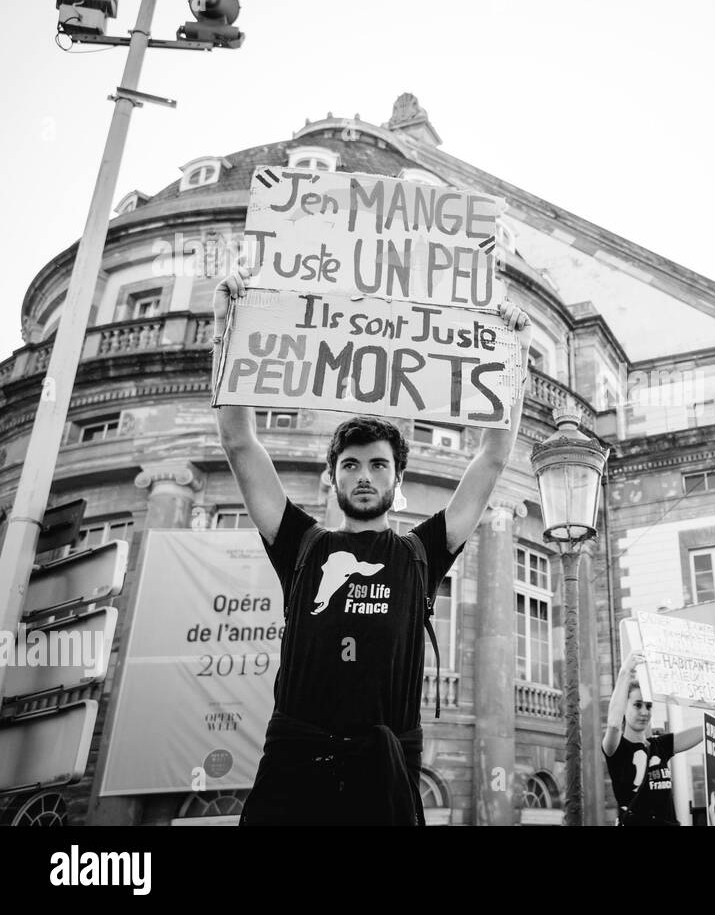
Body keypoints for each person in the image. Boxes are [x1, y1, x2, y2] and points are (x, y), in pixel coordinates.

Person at [211, 267, 532, 825]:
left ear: (395, 479)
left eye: (378, 464)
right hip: (294, 770)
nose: (364, 476)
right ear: (332, 476)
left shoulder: (420, 552)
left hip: (385, 774)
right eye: (351, 465)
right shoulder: (304, 546)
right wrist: (226, 329)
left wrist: (513, 357)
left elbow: (493, 460)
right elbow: (240, 443)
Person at [602, 650, 715, 826]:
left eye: (649, 706)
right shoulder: (616, 749)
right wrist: (625, 672)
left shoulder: (660, 746)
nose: (644, 712)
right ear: (624, 707)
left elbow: (708, 727)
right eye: (637, 705)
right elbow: (614, 724)